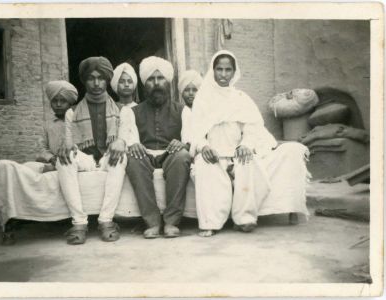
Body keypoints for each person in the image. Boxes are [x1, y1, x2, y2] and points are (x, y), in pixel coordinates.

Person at [191, 50, 310, 237]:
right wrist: (203, 146)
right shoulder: (202, 98)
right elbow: (196, 130)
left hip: (237, 151)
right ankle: (210, 222)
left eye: (228, 70)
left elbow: (252, 126)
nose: (223, 75)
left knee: (249, 162)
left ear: (234, 71)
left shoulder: (240, 98)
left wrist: (246, 144)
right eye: (219, 69)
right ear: (212, 71)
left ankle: (244, 218)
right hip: (213, 152)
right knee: (203, 166)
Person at [0, 80, 78, 245]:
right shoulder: (48, 125)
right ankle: (10, 217)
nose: (58, 104)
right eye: (55, 101)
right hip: (51, 162)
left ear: (70, 102)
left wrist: (62, 161)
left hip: (70, 164)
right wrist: (51, 158)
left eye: (62, 101)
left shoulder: (78, 122)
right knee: (19, 168)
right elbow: (41, 149)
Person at [118, 56, 191, 239]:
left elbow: (190, 138)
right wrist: (134, 145)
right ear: (144, 83)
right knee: (133, 158)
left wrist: (183, 143)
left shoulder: (183, 110)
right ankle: (152, 222)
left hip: (171, 155)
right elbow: (130, 138)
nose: (156, 83)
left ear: (168, 82)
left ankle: (171, 222)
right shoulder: (131, 112)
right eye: (151, 79)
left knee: (182, 155)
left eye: (161, 79)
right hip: (146, 155)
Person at [56, 57, 127, 245]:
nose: (96, 83)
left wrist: (120, 141)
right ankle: (79, 222)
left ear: (107, 80)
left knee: (120, 157)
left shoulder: (120, 109)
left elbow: (124, 135)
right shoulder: (72, 112)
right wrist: (67, 147)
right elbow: (70, 142)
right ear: (84, 81)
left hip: (106, 160)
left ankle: (106, 220)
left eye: (101, 78)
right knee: (64, 158)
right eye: (90, 78)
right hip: (86, 159)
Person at [178, 70, 203, 144]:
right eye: (187, 90)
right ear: (182, 92)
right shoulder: (179, 111)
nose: (191, 93)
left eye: (195, 90)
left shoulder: (204, 112)